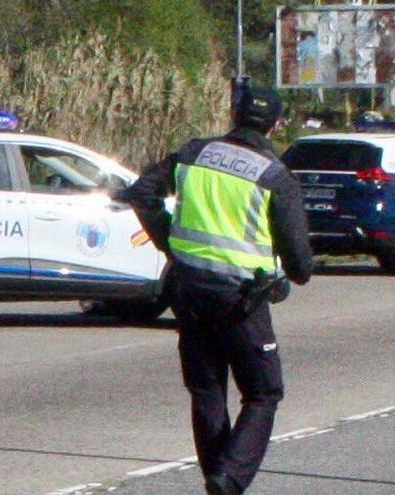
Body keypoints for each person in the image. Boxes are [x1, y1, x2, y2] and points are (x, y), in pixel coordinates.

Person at [117, 85, 312, 495]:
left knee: (207, 390)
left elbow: (141, 193)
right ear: (276, 125)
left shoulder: (194, 153)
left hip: (188, 290)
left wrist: (169, 240)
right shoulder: (276, 176)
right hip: (241, 299)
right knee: (263, 393)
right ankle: (230, 478)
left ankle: (219, 478)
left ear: (233, 114)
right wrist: (285, 275)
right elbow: (300, 267)